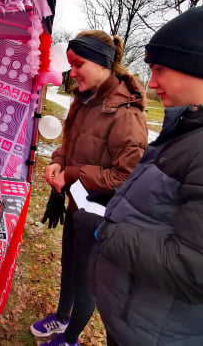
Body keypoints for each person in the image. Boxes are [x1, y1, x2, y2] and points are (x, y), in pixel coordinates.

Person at [72, 4, 203, 346]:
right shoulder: (191, 130)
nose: (151, 83)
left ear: (200, 66)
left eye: (160, 69)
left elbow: (201, 270)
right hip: (141, 319)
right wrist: (112, 201)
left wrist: (104, 231)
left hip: (160, 333)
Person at [31, 30, 148, 346]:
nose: (73, 72)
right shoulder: (83, 101)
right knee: (68, 267)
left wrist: (73, 173)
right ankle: (62, 316)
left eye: (78, 63)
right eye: (70, 64)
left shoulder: (126, 115)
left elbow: (128, 176)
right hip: (76, 208)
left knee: (86, 280)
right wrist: (57, 161)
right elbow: (69, 141)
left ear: (102, 63)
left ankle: (70, 339)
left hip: (101, 217)